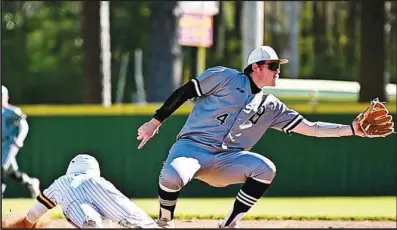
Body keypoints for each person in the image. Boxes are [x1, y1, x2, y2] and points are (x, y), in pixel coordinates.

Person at [136, 46, 394, 228]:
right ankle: (166, 219)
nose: (277, 70)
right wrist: (155, 121)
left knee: (265, 168)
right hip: (192, 149)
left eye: (277, 66)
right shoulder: (224, 77)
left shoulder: (272, 106)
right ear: (256, 67)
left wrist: (351, 129)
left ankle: (230, 223)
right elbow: (183, 92)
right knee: (172, 176)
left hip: (228, 161)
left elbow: (311, 127)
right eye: (272, 66)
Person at [20, 153, 159, 228]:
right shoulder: (99, 179)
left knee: (90, 221)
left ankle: (91, 222)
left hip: (71, 195)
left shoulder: (61, 181)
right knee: (136, 220)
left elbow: (34, 213)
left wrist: (24, 225)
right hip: (98, 186)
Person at [2, 85, 40, 198]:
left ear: (6, 97)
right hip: (2, 144)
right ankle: (31, 182)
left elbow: (24, 126)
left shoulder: (12, 111)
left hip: (11, 144)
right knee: (12, 172)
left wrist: (20, 139)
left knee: (1, 168)